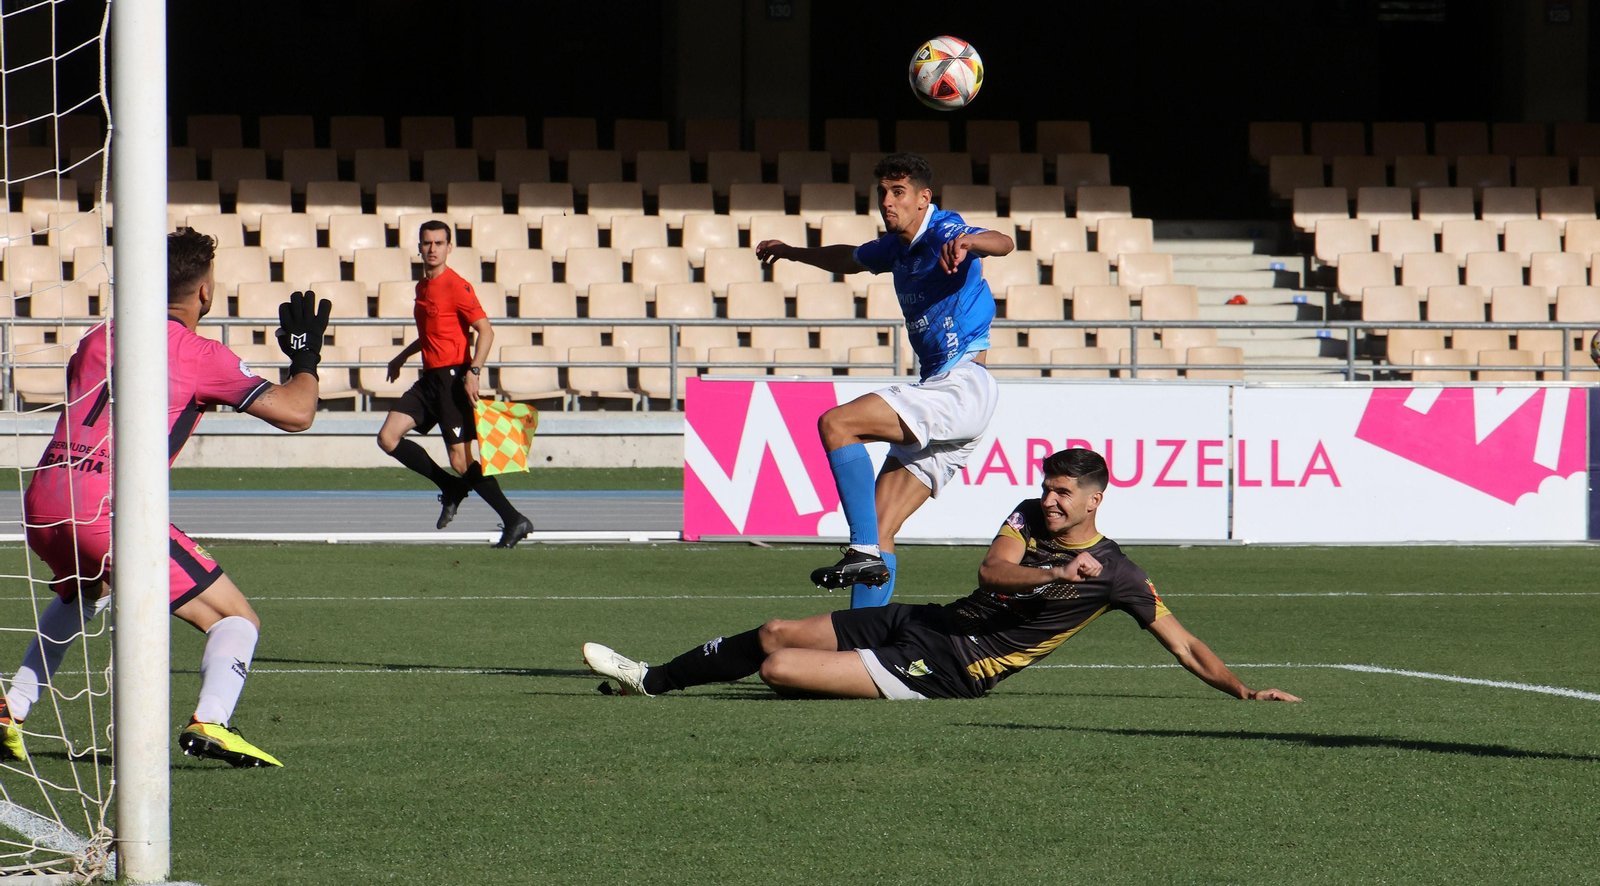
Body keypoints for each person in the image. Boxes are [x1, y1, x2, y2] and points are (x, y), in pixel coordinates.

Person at [583, 448, 1301, 703]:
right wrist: (1055, 577)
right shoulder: (1026, 516)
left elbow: (1183, 643)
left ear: (1095, 500)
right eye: (1046, 490)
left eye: (1063, 495)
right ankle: (651, 678)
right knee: (773, 631)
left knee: (778, 668)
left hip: (958, 667)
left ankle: (842, 679)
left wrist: (1240, 688)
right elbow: (992, 570)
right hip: (932, 618)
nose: (1048, 502)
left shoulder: (1119, 576)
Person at [7, 227, 330, 768]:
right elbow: (297, 413)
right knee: (235, 619)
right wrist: (306, 359)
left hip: (43, 497)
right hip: (107, 509)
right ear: (205, 292)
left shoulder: (98, 336)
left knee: (85, 592)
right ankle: (212, 721)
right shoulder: (199, 353)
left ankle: (11, 705)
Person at [754, 152, 1013, 609]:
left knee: (837, 424)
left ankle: (862, 550)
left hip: (962, 385)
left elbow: (1004, 241)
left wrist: (971, 243)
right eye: (882, 193)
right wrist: (794, 253)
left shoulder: (945, 229)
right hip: (949, 393)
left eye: (898, 193)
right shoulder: (896, 248)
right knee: (881, 522)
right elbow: (848, 259)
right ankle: (863, 648)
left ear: (923, 199)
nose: (887, 203)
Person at [377, 220, 532, 548]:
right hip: (428, 380)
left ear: (450, 248)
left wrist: (474, 372)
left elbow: (486, 331)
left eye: (439, 243)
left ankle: (514, 519)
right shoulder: (422, 287)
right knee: (388, 437)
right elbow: (431, 332)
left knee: (462, 460)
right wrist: (403, 356)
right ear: (419, 247)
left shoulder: (456, 286)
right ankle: (449, 486)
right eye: (427, 243)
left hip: (453, 379)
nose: (432, 249)